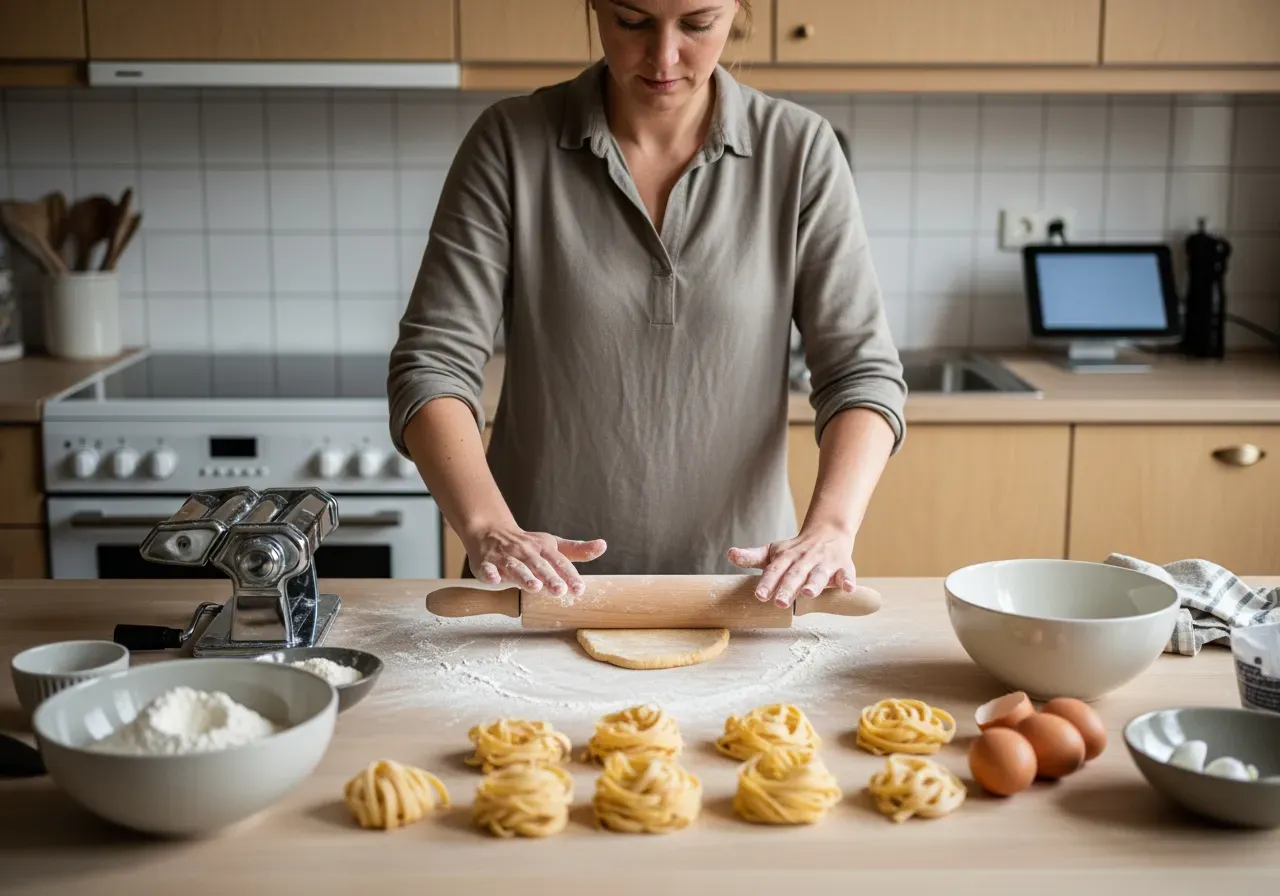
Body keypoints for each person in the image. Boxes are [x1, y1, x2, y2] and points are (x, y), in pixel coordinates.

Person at [388, 0, 906, 609]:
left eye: (697, 23)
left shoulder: (800, 151)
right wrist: (487, 527)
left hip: (743, 592)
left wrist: (832, 530)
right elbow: (433, 364)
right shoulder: (510, 143)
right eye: (632, 21)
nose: (663, 57)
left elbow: (861, 373)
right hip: (534, 590)